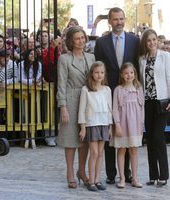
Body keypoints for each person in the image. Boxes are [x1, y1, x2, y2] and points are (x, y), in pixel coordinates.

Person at [94, 7, 140, 184]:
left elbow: (136, 67)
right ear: (110, 21)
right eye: (115, 19)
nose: (119, 22)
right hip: (108, 92)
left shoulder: (134, 41)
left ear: (124, 19)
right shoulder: (102, 42)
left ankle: (127, 173)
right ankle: (111, 173)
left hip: (128, 93)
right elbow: (99, 67)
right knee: (110, 133)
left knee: (126, 132)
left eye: (121, 19)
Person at [57, 26, 95, 188]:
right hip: (72, 100)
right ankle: (70, 172)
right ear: (71, 41)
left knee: (85, 138)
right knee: (71, 137)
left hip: (88, 100)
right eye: (77, 38)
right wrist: (63, 106)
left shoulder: (91, 57)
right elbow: (61, 84)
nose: (81, 41)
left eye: (82, 37)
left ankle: (82, 170)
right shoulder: (64, 59)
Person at [139, 29, 170, 187]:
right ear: (145, 42)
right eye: (148, 40)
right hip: (147, 102)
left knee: (158, 137)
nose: (152, 43)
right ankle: (153, 175)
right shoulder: (142, 59)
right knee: (150, 138)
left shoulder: (165, 57)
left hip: (162, 102)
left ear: (158, 40)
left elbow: (169, 77)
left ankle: (164, 174)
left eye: (154, 39)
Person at [78, 61, 112, 191]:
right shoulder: (86, 89)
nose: (99, 75)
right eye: (96, 72)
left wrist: (110, 126)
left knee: (100, 153)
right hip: (92, 124)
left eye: (102, 72)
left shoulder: (107, 89)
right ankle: (91, 181)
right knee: (94, 152)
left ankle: (97, 179)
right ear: (92, 73)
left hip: (103, 123)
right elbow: (81, 110)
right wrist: (82, 127)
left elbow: (110, 109)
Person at [112, 62, 144, 188]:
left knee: (134, 150)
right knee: (121, 150)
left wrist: (141, 125)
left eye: (131, 73)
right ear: (121, 75)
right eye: (126, 73)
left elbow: (142, 109)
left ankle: (135, 178)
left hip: (135, 125)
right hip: (122, 125)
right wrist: (117, 125)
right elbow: (115, 109)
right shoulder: (118, 90)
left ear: (135, 74)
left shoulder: (139, 89)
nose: (129, 75)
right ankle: (122, 178)